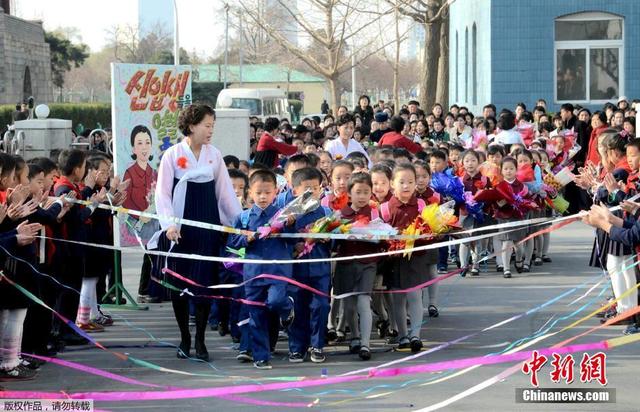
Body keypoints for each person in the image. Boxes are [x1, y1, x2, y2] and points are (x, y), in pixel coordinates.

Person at [153, 104, 241, 362]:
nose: (210, 130)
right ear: (191, 126)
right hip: (181, 227)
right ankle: (184, 337)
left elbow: (224, 193)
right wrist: (169, 224)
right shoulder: (172, 155)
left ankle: (201, 340)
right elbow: (163, 193)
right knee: (180, 284)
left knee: (203, 284)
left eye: (213, 125)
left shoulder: (215, 155)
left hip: (207, 224)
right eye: (207, 125)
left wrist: (237, 223)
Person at [227, 170, 294, 369]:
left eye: (267, 192)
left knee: (275, 302)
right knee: (255, 315)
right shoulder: (244, 218)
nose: (263, 197)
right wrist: (247, 238)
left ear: (276, 192)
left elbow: (295, 239)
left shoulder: (283, 216)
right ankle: (260, 356)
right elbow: (233, 241)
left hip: (277, 272)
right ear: (250, 193)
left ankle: (287, 308)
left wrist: (290, 224)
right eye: (259, 193)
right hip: (253, 273)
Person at [380, 163, 435, 352]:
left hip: (416, 258)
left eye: (410, 182)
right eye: (401, 182)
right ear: (392, 184)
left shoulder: (421, 205)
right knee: (398, 299)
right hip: (395, 259)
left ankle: (415, 335)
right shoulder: (385, 208)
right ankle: (403, 334)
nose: (406, 186)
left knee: (415, 295)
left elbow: (430, 229)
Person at [334, 172, 381, 360]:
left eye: (366, 192)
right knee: (349, 304)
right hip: (346, 263)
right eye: (358, 192)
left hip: (368, 264)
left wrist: (376, 236)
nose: (362, 196)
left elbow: (384, 239)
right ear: (349, 194)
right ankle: (354, 336)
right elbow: (334, 242)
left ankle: (365, 343)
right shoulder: (340, 215)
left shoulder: (375, 214)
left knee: (363, 301)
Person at [287, 167, 331, 363]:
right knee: (299, 307)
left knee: (321, 306)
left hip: (320, 268)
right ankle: (297, 346)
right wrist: (293, 244)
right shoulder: (289, 215)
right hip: (297, 270)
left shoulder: (326, 212)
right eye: (306, 188)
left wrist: (327, 239)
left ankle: (317, 345)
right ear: (294, 190)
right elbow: (280, 239)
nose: (311, 192)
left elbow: (335, 241)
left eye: (315, 187)